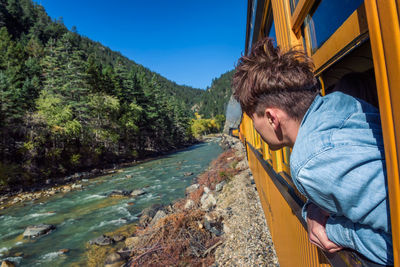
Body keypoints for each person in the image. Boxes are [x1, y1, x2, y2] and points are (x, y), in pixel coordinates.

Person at [232, 37, 393, 265]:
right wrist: (311, 208)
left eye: (253, 117)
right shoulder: (339, 101)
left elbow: (393, 240)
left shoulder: (309, 162)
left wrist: (335, 233)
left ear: (271, 117)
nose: (255, 129)